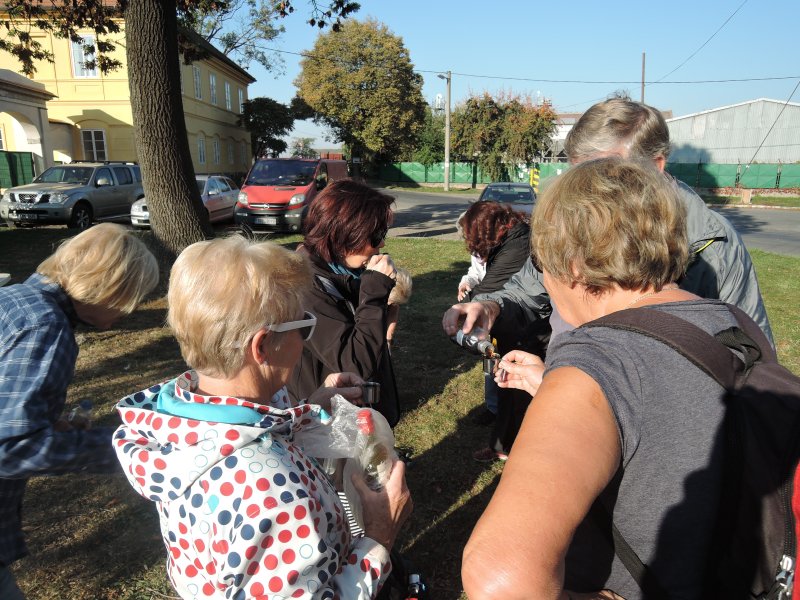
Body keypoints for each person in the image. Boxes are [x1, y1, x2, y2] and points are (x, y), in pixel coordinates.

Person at [462, 157, 742, 599]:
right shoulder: (731, 325)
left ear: (572, 265)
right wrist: (560, 387)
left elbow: (498, 578)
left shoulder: (597, 358)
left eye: (540, 261)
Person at [113, 236, 412, 600]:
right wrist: (379, 538)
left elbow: (251, 430)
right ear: (262, 346)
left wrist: (310, 406)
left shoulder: (180, 412)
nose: (306, 338)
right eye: (304, 326)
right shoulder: (274, 497)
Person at [443, 97, 774, 355]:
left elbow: (749, 355)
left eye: (604, 174)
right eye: (577, 177)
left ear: (655, 166)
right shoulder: (569, 223)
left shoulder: (712, 244)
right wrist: (492, 306)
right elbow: (528, 290)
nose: (584, 194)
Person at [0, 223, 159, 600]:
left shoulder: (13, 300)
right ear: (106, 285)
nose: (131, 310)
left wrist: (47, 425)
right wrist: (127, 448)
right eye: (130, 296)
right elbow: (10, 447)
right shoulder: (46, 326)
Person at [288, 179, 402, 427]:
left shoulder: (339, 273)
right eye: (376, 235)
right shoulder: (306, 286)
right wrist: (373, 292)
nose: (381, 243)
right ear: (343, 233)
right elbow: (354, 363)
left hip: (352, 416)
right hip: (327, 425)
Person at [457, 202, 546, 461]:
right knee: (497, 375)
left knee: (513, 389)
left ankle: (507, 446)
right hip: (509, 325)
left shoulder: (517, 244)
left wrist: (475, 304)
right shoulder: (507, 241)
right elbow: (514, 287)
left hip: (527, 331)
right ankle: (496, 424)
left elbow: (497, 283)